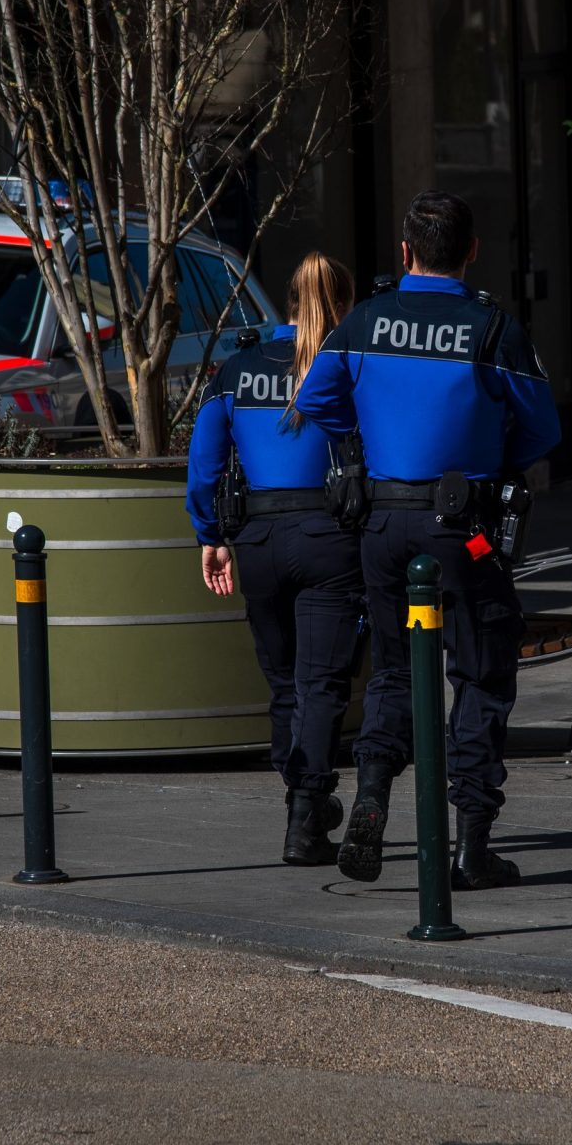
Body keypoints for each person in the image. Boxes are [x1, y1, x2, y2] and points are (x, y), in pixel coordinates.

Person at [295, 191, 561, 891]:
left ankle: (375, 795)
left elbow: (317, 400)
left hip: (383, 527)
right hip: (462, 531)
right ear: (472, 251)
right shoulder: (491, 328)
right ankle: (471, 844)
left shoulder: (364, 321)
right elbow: (543, 429)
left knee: (389, 670)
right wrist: (494, 453)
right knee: (479, 671)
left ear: (405, 253)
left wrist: (361, 446)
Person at [185, 253, 368, 866]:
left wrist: (210, 534)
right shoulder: (346, 368)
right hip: (328, 538)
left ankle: (299, 796)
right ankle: (307, 815)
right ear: (340, 304)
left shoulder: (237, 369)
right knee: (321, 684)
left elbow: (205, 464)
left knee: (284, 684)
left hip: (257, 542)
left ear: (285, 302)